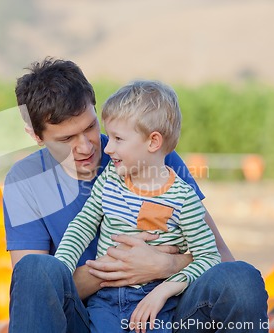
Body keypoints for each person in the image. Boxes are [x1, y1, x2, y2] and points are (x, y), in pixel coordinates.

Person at [4, 57, 268, 333]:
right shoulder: (23, 182)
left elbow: (220, 257)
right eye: (66, 139)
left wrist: (167, 264)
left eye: (90, 127)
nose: (86, 147)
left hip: (164, 312)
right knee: (35, 268)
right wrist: (118, 267)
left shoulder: (148, 155)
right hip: (88, 318)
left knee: (240, 278)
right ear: (36, 135)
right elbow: (39, 293)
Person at [54, 80, 222, 333]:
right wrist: (62, 268)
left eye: (118, 138)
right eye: (109, 136)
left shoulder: (183, 199)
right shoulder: (111, 178)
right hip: (105, 300)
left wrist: (165, 289)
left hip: (157, 303)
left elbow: (209, 257)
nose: (108, 148)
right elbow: (84, 223)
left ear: (153, 142)